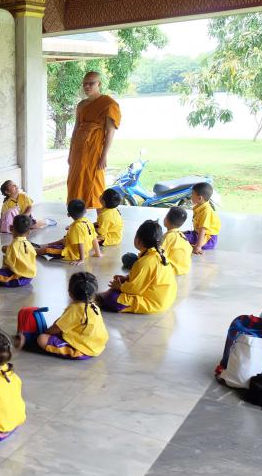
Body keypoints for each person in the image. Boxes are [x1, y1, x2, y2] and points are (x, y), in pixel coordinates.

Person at [15, 272, 108, 359]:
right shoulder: (93, 306)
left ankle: (27, 342)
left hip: (83, 350)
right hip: (95, 345)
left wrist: (43, 333)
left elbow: (56, 328)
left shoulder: (75, 310)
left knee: (42, 339)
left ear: (69, 292)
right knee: (50, 335)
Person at [67, 71, 121, 209]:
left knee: (95, 183)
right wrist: (70, 152)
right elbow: (76, 129)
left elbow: (110, 132)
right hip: (78, 150)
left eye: (91, 83)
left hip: (94, 150)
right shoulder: (81, 105)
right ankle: (77, 216)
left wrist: (104, 156)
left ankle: (101, 218)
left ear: (99, 84)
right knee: (75, 182)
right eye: (85, 84)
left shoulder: (108, 105)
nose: (87, 86)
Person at [98, 220, 177, 314]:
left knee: (112, 298)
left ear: (138, 240)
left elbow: (134, 289)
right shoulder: (158, 253)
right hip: (166, 297)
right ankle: (106, 294)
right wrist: (126, 278)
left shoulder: (145, 262)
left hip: (154, 302)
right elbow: (145, 277)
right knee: (121, 283)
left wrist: (120, 287)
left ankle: (105, 296)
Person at [34, 199, 102, 266]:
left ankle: (32, 252)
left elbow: (80, 243)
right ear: (85, 211)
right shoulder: (87, 221)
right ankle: (47, 244)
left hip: (72, 253)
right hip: (81, 249)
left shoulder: (76, 227)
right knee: (65, 239)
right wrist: (98, 253)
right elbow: (94, 238)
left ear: (68, 214)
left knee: (46, 250)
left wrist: (81, 259)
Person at [0, 214, 37, 287]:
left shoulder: (13, 246)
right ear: (29, 232)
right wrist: (8, 249)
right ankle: (1, 280)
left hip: (19, 278)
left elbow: (8, 265)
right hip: (30, 277)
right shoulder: (29, 245)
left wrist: (7, 252)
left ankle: (0, 282)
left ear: (11, 228)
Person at [185, 182, 221, 254]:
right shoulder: (200, 206)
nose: (191, 196)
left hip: (208, 239)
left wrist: (198, 247)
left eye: (192, 194)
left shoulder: (206, 211)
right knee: (178, 234)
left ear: (200, 198)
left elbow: (202, 230)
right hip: (198, 233)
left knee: (180, 238)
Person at [161, 206, 192, 276]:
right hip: (185, 269)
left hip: (172, 269)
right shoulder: (182, 235)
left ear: (166, 219)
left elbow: (159, 254)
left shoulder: (168, 237)